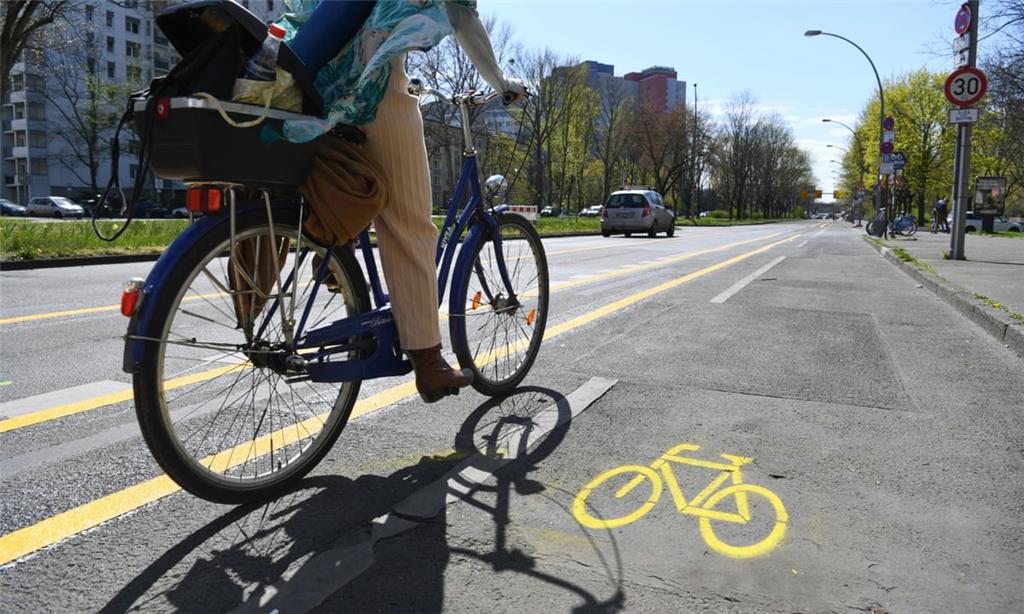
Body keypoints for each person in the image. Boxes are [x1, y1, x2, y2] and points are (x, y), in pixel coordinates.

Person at [276, 1, 525, 403]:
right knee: (409, 224)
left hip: (306, 74)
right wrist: (500, 82)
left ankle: (340, 258)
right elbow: (462, 15)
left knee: (350, 180)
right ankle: (429, 361)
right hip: (372, 76)